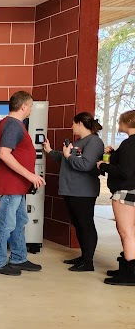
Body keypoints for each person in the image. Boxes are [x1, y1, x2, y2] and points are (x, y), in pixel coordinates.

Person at [0, 91, 45, 275]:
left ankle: (18, 258)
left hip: (17, 186)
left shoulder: (11, 124)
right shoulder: (13, 125)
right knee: (6, 224)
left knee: (19, 221)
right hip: (10, 185)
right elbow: (4, 154)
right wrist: (30, 175)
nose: (31, 110)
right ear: (23, 106)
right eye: (31, 106)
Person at [43, 112, 104, 272]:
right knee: (78, 224)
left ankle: (88, 261)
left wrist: (68, 156)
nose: (71, 127)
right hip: (71, 190)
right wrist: (50, 151)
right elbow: (66, 158)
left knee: (85, 225)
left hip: (83, 192)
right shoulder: (79, 142)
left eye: (73, 123)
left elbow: (85, 164)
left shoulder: (94, 142)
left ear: (80, 123)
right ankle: (84, 257)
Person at [97, 110, 135, 286]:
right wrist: (113, 155)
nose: (119, 124)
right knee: (130, 233)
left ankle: (130, 273)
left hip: (125, 192)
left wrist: (103, 165)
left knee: (126, 232)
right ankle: (127, 267)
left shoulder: (129, 144)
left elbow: (125, 172)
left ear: (128, 122)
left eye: (120, 121)